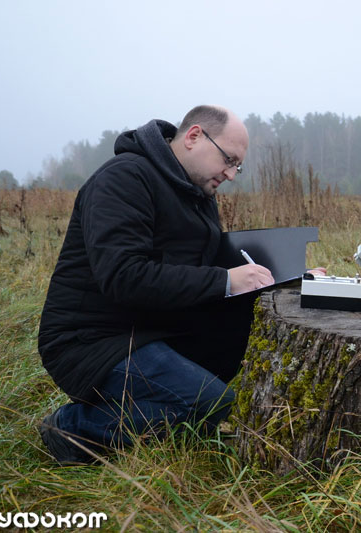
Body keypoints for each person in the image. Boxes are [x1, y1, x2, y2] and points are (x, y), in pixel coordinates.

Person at [38, 105, 289, 464]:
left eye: (238, 166)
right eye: (228, 160)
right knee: (210, 401)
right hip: (91, 339)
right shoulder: (124, 179)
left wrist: (293, 276)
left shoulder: (197, 194)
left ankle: (168, 412)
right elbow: (124, 276)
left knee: (243, 324)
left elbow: (207, 265)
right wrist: (225, 280)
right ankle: (74, 428)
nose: (232, 174)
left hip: (153, 327)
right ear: (194, 137)